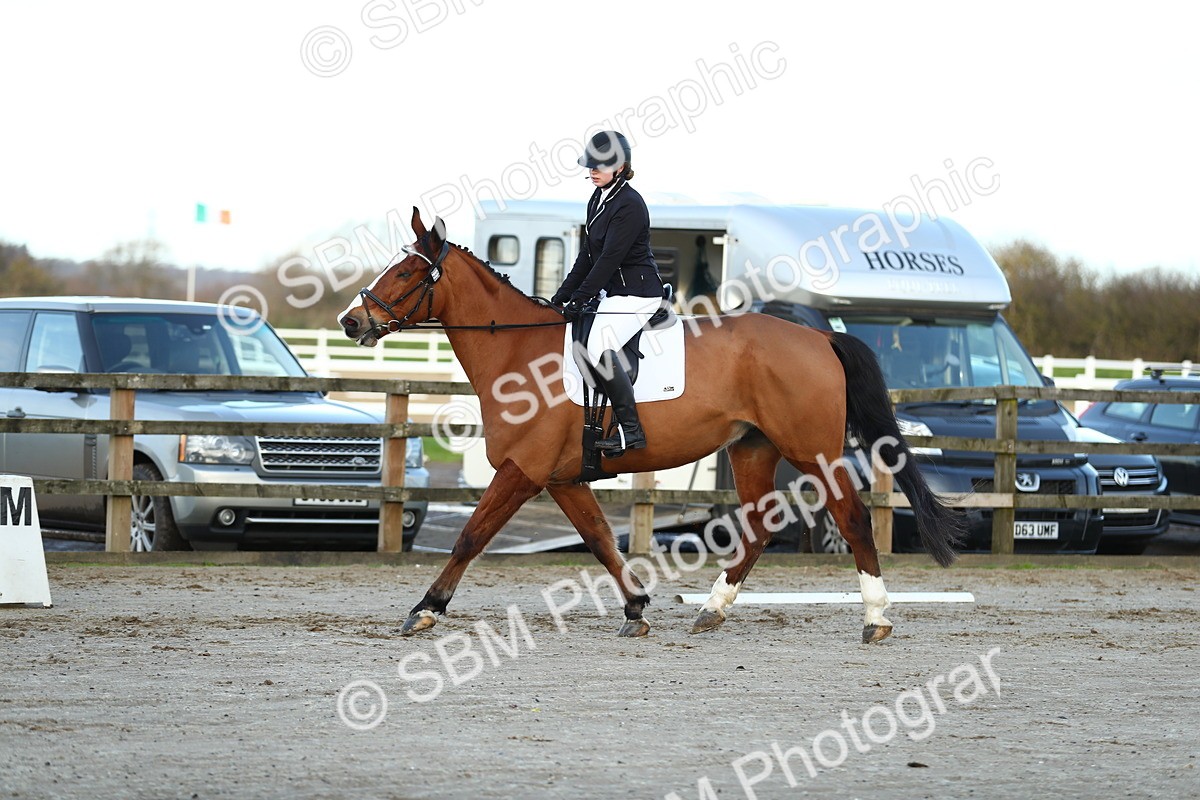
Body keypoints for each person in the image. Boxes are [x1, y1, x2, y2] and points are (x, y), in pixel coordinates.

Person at [551, 130, 663, 456]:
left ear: (621, 166)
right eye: (590, 166)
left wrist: (581, 298)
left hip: (640, 293)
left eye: (600, 166)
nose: (592, 171)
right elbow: (587, 256)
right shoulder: (597, 199)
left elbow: (608, 259)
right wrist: (560, 298)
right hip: (615, 294)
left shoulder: (629, 204)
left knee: (599, 348)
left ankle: (632, 432)